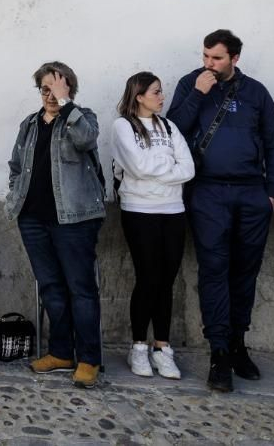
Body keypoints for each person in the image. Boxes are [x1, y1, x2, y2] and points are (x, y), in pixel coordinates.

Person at [167, 30, 274, 392]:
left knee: (245, 271)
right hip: (208, 191)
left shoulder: (256, 92)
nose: (208, 64)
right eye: (205, 56)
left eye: (216, 58)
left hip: (251, 193)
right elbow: (173, 129)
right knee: (214, 269)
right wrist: (199, 93)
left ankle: (237, 344)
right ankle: (218, 352)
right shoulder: (191, 83)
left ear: (234, 58)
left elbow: (273, 142)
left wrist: (272, 191)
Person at [6, 62, 106, 388]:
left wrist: (67, 105)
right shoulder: (30, 124)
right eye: (45, 89)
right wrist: (16, 195)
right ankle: (61, 352)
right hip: (33, 220)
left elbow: (87, 139)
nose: (50, 95)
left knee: (81, 290)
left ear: (69, 90)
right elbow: (17, 165)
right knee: (52, 289)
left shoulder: (82, 117)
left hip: (74, 221)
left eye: (57, 89)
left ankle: (89, 359)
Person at [109, 71, 193, 381]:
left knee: (166, 280)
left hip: (173, 209)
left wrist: (158, 171)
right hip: (139, 210)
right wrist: (168, 168)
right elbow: (136, 165)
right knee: (147, 278)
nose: (161, 96)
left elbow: (189, 168)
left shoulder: (169, 126)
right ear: (139, 95)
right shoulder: (123, 127)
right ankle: (138, 346)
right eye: (156, 92)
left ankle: (163, 347)